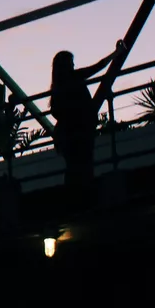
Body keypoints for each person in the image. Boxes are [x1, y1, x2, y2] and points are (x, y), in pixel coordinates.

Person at [50, 43, 122, 197]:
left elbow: (55, 111)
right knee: (85, 162)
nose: (74, 65)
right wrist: (116, 53)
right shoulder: (74, 77)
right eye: (71, 62)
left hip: (68, 132)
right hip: (81, 129)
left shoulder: (57, 85)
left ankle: (74, 195)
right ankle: (86, 194)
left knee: (73, 166)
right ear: (67, 64)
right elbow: (97, 67)